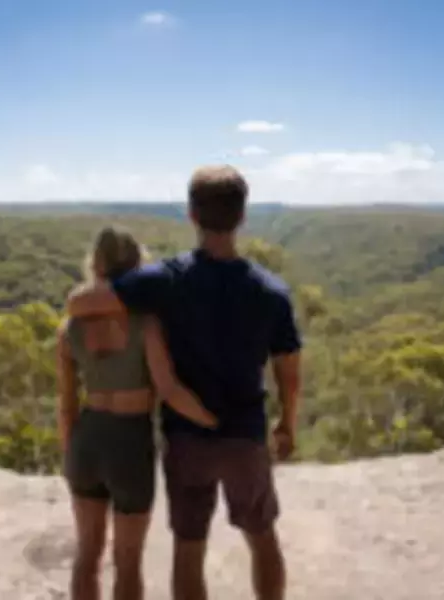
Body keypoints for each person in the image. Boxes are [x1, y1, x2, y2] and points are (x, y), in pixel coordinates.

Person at [67, 166, 302, 600]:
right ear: (242, 215)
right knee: (262, 537)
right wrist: (287, 423)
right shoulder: (272, 291)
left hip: (187, 439)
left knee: (189, 550)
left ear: (191, 214)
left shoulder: (166, 279)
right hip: (245, 436)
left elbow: (79, 304)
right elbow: (288, 371)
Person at [57, 225, 218, 600]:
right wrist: (212, 420)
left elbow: (67, 405)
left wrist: (70, 455)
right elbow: (169, 389)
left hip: (86, 440)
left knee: (87, 554)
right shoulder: (145, 322)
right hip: (129, 443)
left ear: (95, 264)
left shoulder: (70, 328)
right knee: (128, 563)